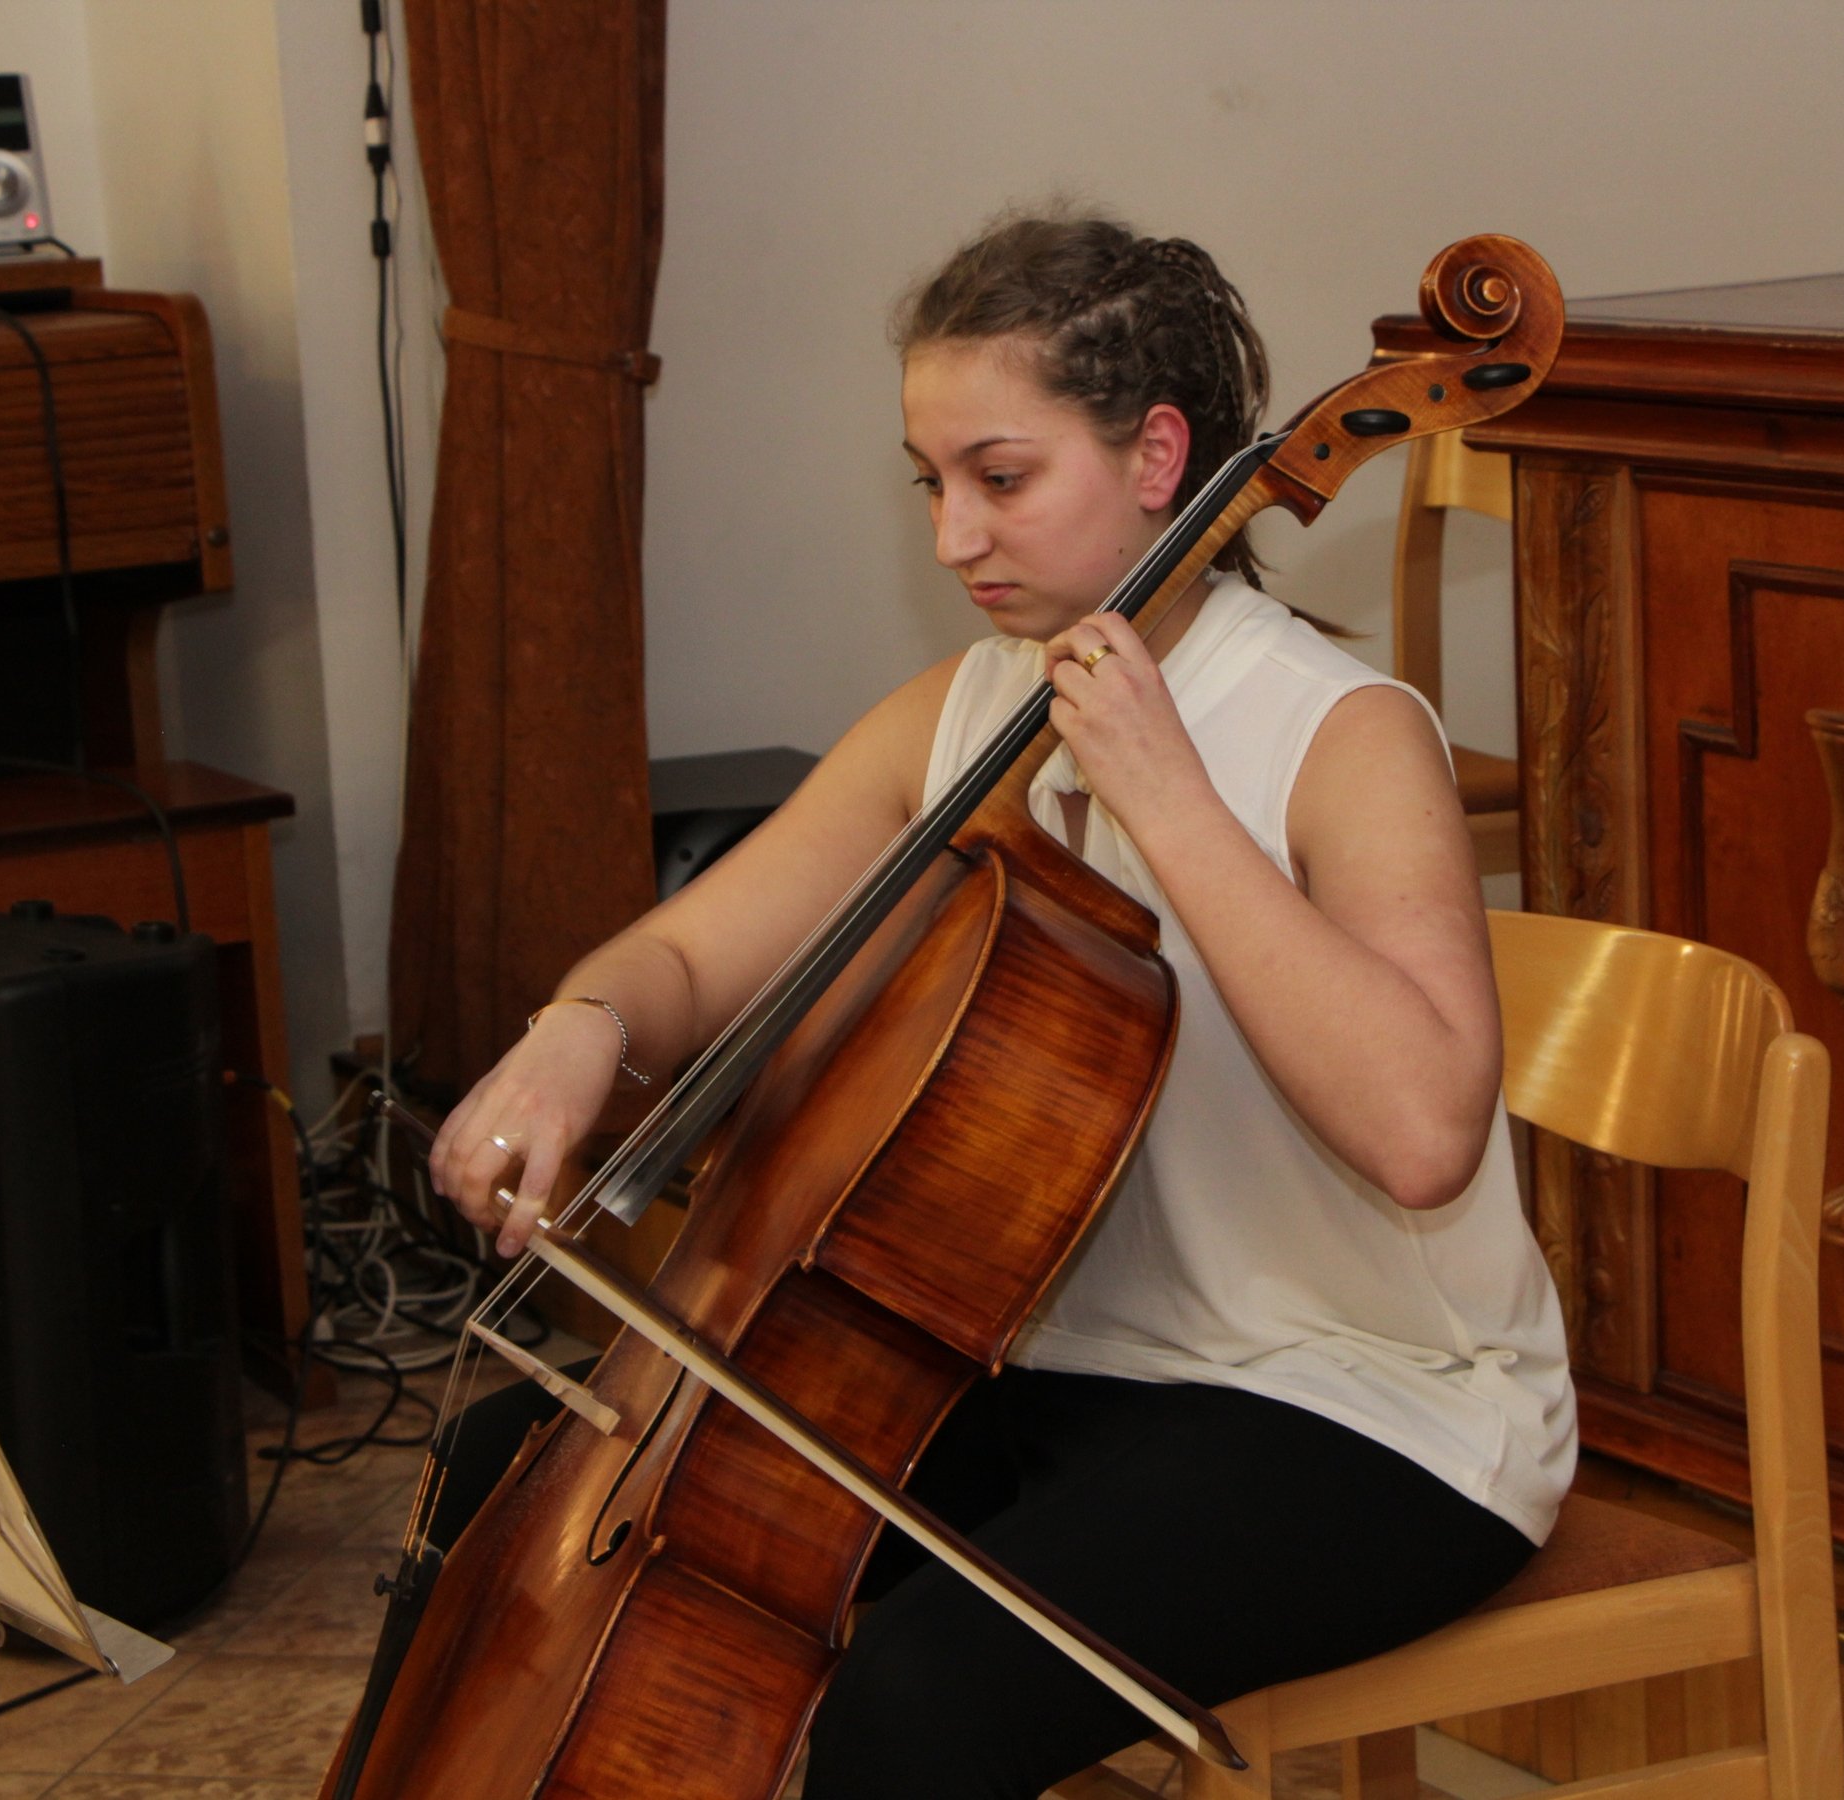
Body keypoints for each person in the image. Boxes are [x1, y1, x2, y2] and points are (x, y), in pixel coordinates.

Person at [423, 209, 1574, 1798]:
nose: (954, 537)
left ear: (1158, 455)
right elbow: (686, 961)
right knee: (513, 1473)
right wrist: (577, 1036)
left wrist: (1170, 801)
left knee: (918, 1697)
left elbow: (1425, 1132)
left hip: (1368, 1409)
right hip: (1053, 1369)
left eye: (1001, 477)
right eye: (930, 483)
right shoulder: (964, 712)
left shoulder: (1341, 732)